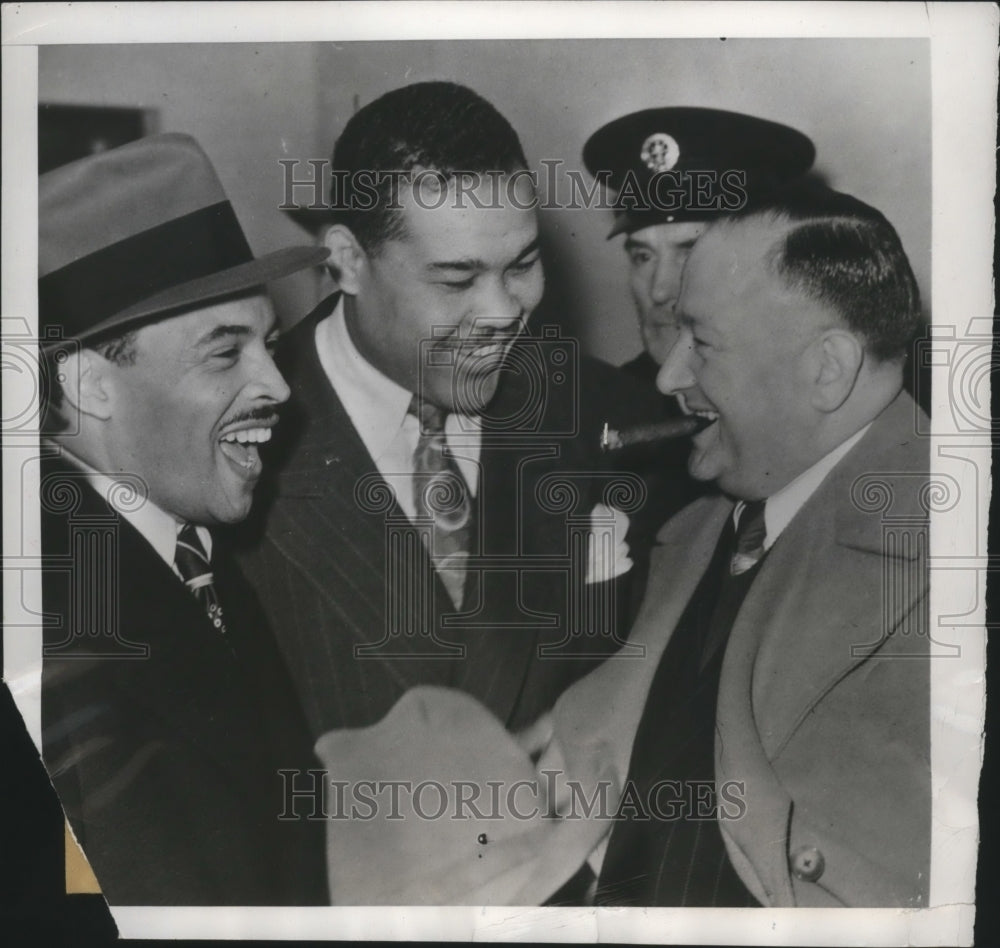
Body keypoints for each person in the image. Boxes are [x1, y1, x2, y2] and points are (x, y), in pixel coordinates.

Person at [534, 181, 931, 907]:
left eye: (704, 344)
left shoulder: (951, 571)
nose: (668, 375)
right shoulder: (699, 531)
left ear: (827, 368)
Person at [237, 81, 649, 742]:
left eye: (523, 265)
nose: (503, 313)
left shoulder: (607, 410)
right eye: (457, 279)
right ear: (347, 260)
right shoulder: (234, 444)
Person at [37, 133, 330, 905]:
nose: (279, 387)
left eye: (269, 345)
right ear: (89, 384)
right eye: (225, 353)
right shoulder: (43, 614)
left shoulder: (187, 548)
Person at [582, 108, 816, 587]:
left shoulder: (821, 409)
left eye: (690, 251)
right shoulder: (601, 413)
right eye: (642, 255)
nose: (660, 289)